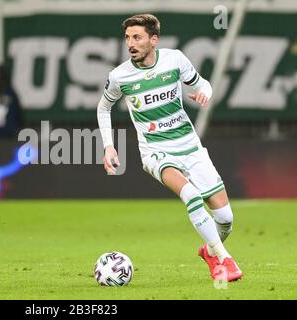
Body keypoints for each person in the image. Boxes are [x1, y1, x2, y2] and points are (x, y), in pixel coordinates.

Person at [97, 14, 243, 282]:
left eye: (137, 37)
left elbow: (205, 85)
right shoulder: (120, 76)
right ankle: (225, 260)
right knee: (191, 195)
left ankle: (211, 250)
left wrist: (204, 95)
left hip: (190, 146)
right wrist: (108, 146)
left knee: (225, 218)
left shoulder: (174, 60)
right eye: (128, 37)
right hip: (155, 151)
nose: (131, 43)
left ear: (154, 40)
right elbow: (103, 107)